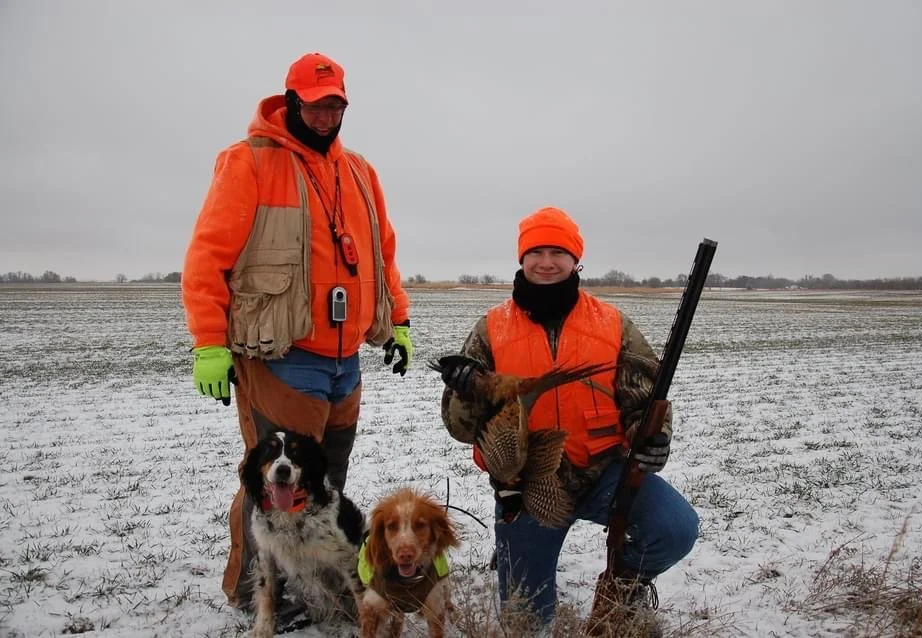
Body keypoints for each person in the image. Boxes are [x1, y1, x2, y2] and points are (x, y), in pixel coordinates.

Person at [181, 52, 412, 611]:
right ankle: (255, 593)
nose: (327, 116)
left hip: (345, 359)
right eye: (315, 105)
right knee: (272, 484)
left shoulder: (358, 171)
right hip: (282, 355)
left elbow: (383, 253)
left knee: (323, 482)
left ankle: (321, 580)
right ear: (292, 101)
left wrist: (398, 321)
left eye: (335, 105)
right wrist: (209, 344)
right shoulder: (249, 162)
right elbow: (207, 256)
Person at [438, 206, 698, 626]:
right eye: (535, 251)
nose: (546, 262)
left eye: (558, 251)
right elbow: (459, 429)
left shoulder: (613, 324)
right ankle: (517, 550)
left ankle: (623, 585)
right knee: (526, 621)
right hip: (528, 487)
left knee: (676, 528)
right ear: (520, 259)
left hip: (604, 474)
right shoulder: (491, 329)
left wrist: (652, 438)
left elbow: (643, 401)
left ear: (576, 259)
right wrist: (468, 392)